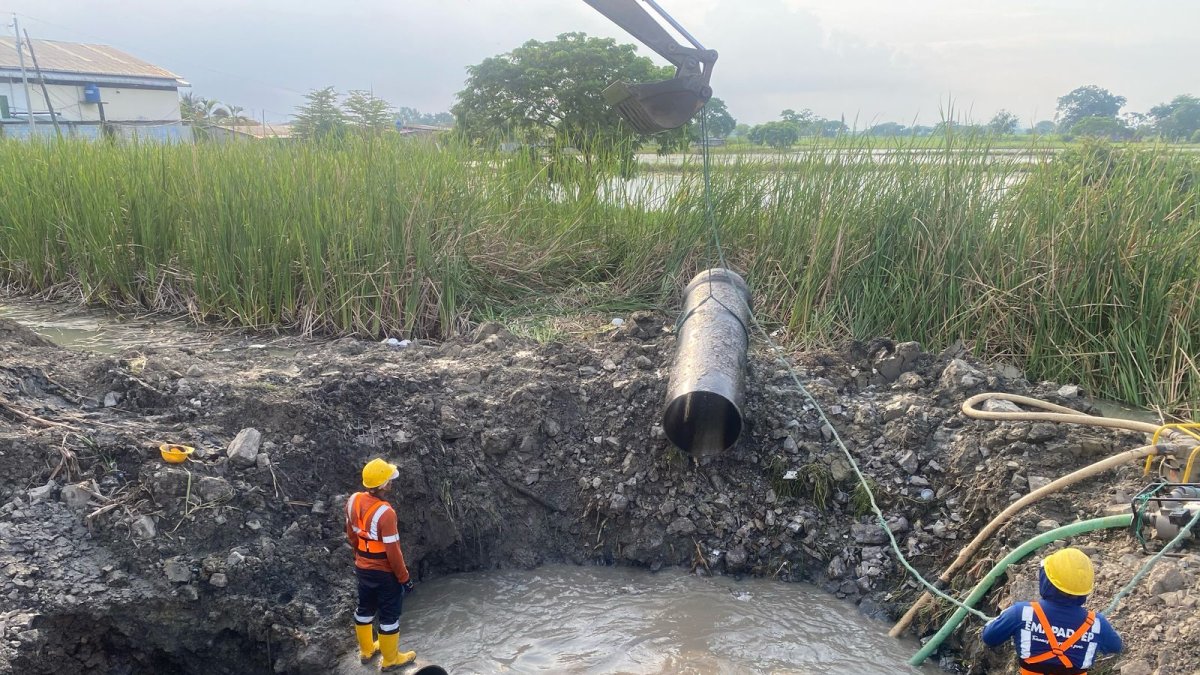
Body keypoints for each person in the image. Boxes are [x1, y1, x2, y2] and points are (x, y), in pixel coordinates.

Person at [982, 547, 1122, 674]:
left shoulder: (1022, 613)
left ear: (1047, 580)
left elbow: (989, 637)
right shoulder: (1097, 624)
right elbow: (1116, 646)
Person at [346, 458, 416, 670]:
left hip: (363, 568)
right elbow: (393, 553)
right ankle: (390, 660)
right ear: (384, 485)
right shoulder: (386, 513)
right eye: (389, 480)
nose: (391, 483)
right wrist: (405, 579)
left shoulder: (353, 500)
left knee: (365, 608)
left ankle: (367, 650)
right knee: (389, 616)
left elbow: (351, 534)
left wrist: (361, 557)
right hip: (384, 573)